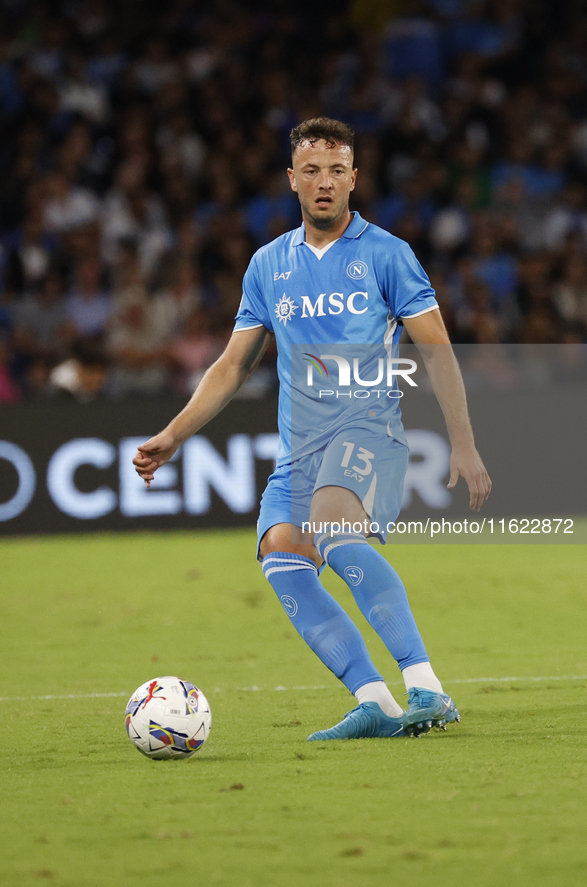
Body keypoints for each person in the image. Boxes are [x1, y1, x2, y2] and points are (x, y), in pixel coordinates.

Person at [133, 118, 491, 741]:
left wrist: (462, 440)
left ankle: (427, 688)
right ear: (292, 180)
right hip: (300, 449)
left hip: (370, 433)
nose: (324, 182)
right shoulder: (269, 265)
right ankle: (375, 701)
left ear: (354, 178)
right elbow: (231, 366)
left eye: (336, 170)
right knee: (282, 554)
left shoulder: (387, 254)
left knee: (332, 525)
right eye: (311, 171)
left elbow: (437, 352)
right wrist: (176, 432)